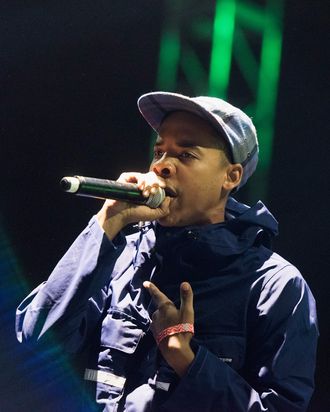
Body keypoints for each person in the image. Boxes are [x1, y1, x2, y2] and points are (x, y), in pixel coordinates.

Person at [16, 92, 318, 411]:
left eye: (186, 155)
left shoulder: (276, 285)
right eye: (159, 151)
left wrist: (188, 361)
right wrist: (107, 221)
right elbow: (31, 350)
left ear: (231, 176)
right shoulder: (118, 255)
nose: (162, 166)